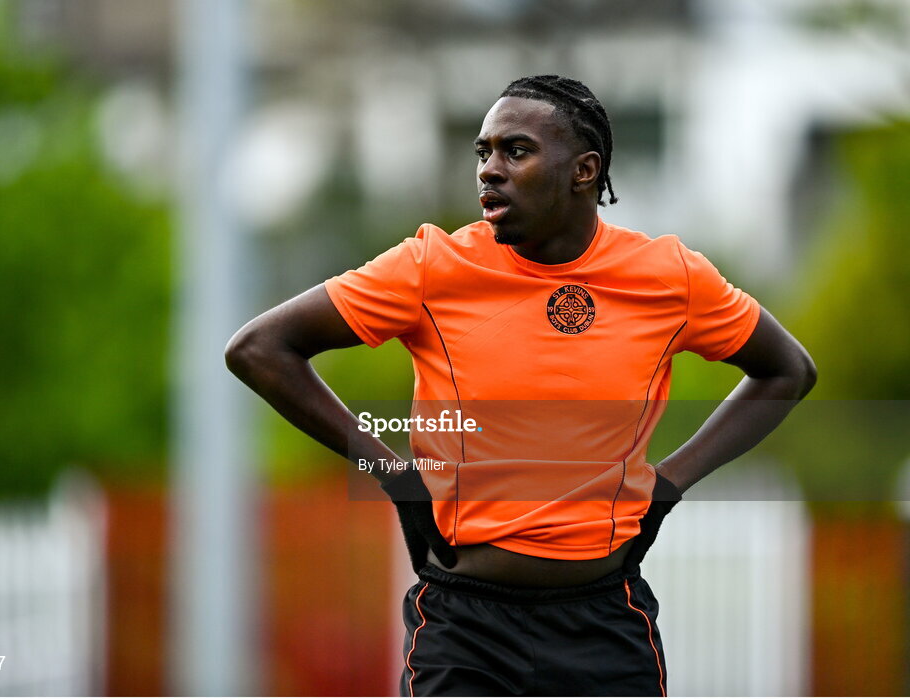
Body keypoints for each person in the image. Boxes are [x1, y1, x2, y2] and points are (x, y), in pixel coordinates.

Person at [225, 75, 816, 697]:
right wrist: (393, 476)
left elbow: (787, 370)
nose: (489, 170)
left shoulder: (669, 277)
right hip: (463, 628)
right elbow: (260, 350)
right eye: (483, 152)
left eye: (516, 150)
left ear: (583, 170)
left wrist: (668, 484)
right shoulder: (431, 267)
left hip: (603, 623)